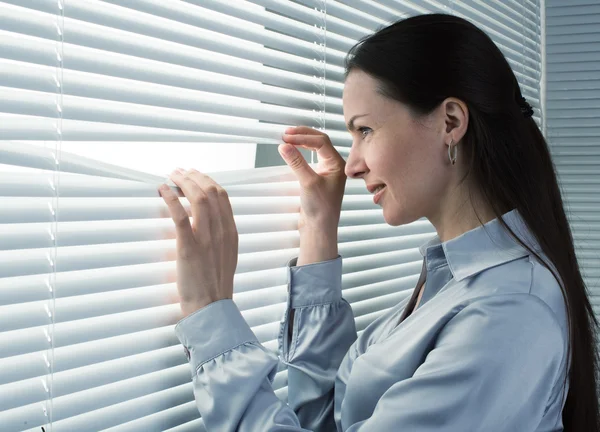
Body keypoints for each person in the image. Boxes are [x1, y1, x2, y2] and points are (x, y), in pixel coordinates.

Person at [158, 13, 599, 432]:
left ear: (450, 122)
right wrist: (318, 228)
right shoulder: (453, 278)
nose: (350, 166)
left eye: (365, 130)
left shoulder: (506, 312)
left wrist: (211, 321)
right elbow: (330, 418)